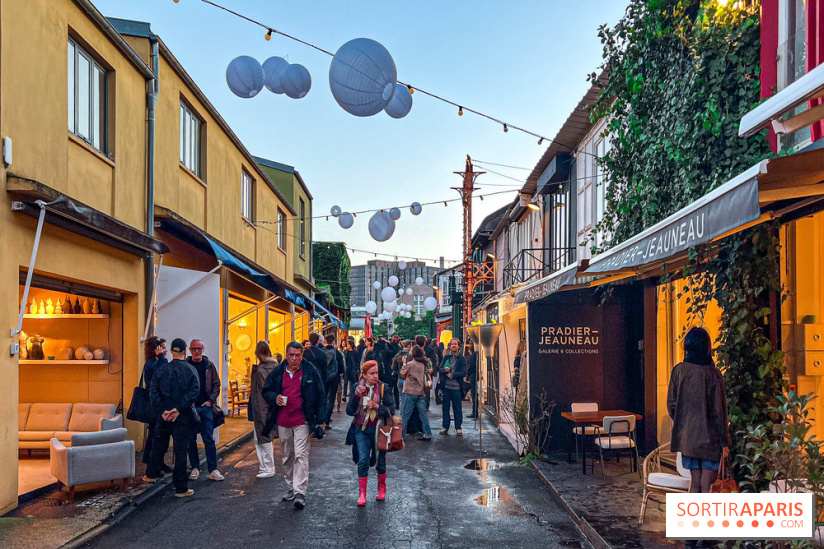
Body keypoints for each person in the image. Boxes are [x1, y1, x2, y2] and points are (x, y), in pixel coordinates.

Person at [667, 327, 731, 502]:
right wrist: (724, 441)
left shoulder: (678, 371)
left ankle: (691, 524)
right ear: (707, 347)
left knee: (695, 482)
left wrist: (684, 421)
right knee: (707, 485)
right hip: (710, 438)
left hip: (687, 438)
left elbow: (671, 405)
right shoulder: (713, 374)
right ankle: (705, 524)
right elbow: (720, 412)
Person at [262, 341, 326, 509]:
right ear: (286, 355)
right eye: (291, 355)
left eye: (298, 355)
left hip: (302, 420)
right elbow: (266, 391)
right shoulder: (278, 372)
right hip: (283, 420)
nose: (294, 358)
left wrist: (321, 421)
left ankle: (300, 492)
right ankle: (291, 486)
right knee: (287, 455)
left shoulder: (310, 371)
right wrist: (274, 397)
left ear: (302, 356)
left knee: (301, 455)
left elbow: (321, 395)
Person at [146, 338, 199, 498]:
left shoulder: (161, 370)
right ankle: (181, 487)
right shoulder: (190, 370)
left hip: (164, 416)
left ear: (171, 351)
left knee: (158, 444)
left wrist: (163, 410)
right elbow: (194, 392)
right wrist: (178, 408)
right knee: (181, 450)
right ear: (184, 351)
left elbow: (153, 392)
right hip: (182, 416)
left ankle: (150, 473)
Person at [345, 360, 395, 506]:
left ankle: (381, 489)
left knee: (380, 461)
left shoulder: (384, 388)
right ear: (364, 375)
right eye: (371, 373)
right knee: (363, 460)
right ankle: (362, 494)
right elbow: (349, 411)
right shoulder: (357, 387)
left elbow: (391, 411)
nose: (375, 376)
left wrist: (377, 406)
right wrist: (356, 396)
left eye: (376, 373)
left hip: (380, 430)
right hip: (362, 429)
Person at [186, 339, 224, 481]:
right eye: (194, 348)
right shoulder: (186, 365)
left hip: (205, 407)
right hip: (191, 408)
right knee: (191, 439)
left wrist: (211, 401)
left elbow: (216, 383)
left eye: (199, 348)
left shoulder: (208, 365)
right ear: (190, 350)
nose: (197, 351)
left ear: (203, 349)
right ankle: (195, 467)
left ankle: (213, 469)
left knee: (208, 438)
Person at [141, 336, 172, 473]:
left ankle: (159, 462)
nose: (165, 351)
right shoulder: (153, 364)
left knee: (161, 435)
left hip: (159, 403)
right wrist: (162, 358)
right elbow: (164, 373)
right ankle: (152, 466)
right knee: (156, 435)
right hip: (155, 404)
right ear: (156, 350)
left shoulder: (156, 362)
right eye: (163, 348)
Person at [249, 341, 279, 479]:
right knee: (264, 437)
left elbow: (260, 390)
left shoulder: (261, 370)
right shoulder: (274, 367)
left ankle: (267, 467)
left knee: (262, 438)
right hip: (269, 405)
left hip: (260, 406)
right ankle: (266, 467)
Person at [401, 345, 432, 441]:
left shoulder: (410, 364)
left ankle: (401, 435)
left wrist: (403, 364)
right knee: (423, 414)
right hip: (420, 391)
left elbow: (403, 375)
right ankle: (427, 433)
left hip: (410, 391)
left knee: (405, 414)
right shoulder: (423, 364)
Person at [439, 338, 467, 436]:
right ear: (450, 346)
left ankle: (458, 427)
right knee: (445, 408)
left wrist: (453, 375)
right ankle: (445, 426)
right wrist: (444, 370)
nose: (454, 346)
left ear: (458, 346)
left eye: (455, 344)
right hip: (446, 387)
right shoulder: (447, 357)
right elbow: (440, 368)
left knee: (457, 408)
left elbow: (464, 372)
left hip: (456, 387)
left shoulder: (461, 358)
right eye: (452, 344)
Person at [322, 334, 345, 428]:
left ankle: (322, 418)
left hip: (323, 378)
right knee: (331, 399)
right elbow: (342, 369)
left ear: (325, 341)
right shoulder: (338, 353)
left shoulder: (322, 352)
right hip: (334, 378)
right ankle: (327, 420)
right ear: (334, 342)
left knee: (323, 398)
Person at [465, 341, 479, 419]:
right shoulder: (473, 354)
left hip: (473, 375)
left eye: (471, 344)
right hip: (472, 375)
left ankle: (475, 411)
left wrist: (467, 372)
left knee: (474, 394)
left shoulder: (474, 354)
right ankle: (474, 411)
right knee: (473, 394)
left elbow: (472, 365)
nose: (469, 346)